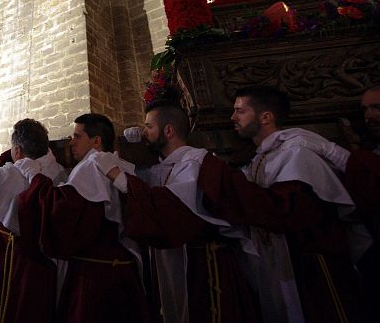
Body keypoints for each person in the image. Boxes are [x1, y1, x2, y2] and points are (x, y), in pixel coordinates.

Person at [197, 86, 367, 322]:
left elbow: (285, 211)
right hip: (279, 262)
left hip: (313, 266)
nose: (232, 118)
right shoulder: (260, 158)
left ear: (266, 116)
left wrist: (214, 171)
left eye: (240, 111)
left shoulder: (297, 153)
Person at [99, 101, 261, 322]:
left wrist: (118, 176)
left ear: (168, 131)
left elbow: (172, 207)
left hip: (204, 265)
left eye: (149, 127)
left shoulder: (196, 162)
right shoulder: (163, 164)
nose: (144, 133)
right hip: (174, 260)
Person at [301, 84, 380, 322]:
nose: (369, 116)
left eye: (379, 108)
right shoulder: (379, 153)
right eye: (366, 110)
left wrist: (341, 156)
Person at [18, 113, 149, 323]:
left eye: (77, 136)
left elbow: (62, 211)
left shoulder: (92, 166)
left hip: (95, 277)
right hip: (123, 270)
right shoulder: (119, 164)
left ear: (96, 141)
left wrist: (36, 179)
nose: (72, 142)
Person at [0, 117, 66, 322]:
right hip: (44, 261)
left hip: (10, 256)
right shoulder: (59, 172)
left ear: (18, 150)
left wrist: (6, 155)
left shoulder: (7, 175)